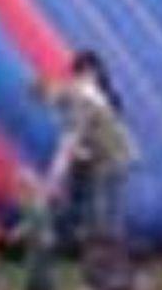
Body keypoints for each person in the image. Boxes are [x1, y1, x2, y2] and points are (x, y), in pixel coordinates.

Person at [42, 53, 137, 245]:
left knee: (105, 202)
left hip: (109, 156)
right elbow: (73, 134)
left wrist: (55, 176)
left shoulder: (91, 99)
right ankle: (78, 238)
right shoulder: (78, 98)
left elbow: (75, 134)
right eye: (82, 73)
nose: (86, 77)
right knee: (86, 198)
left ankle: (103, 242)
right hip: (92, 155)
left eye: (89, 72)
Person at [10, 169, 59, 290]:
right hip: (35, 239)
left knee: (41, 268)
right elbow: (28, 219)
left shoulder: (37, 199)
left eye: (21, 184)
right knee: (33, 267)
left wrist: (19, 231)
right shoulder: (27, 198)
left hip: (43, 238)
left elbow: (37, 219)